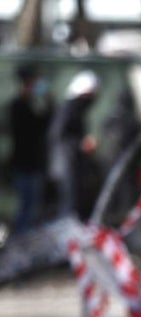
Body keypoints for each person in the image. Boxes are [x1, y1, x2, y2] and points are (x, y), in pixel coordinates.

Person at [7, 64, 53, 234]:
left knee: (30, 207)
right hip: (26, 165)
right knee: (27, 208)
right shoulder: (19, 106)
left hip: (30, 164)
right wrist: (47, 100)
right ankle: (21, 241)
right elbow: (38, 126)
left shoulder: (26, 105)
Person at [48, 69, 100, 219]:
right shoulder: (69, 109)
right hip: (66, 166)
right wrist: (80, 144)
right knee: (68, 205)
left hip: (71, 165)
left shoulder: (76, 111)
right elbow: (58, 135)